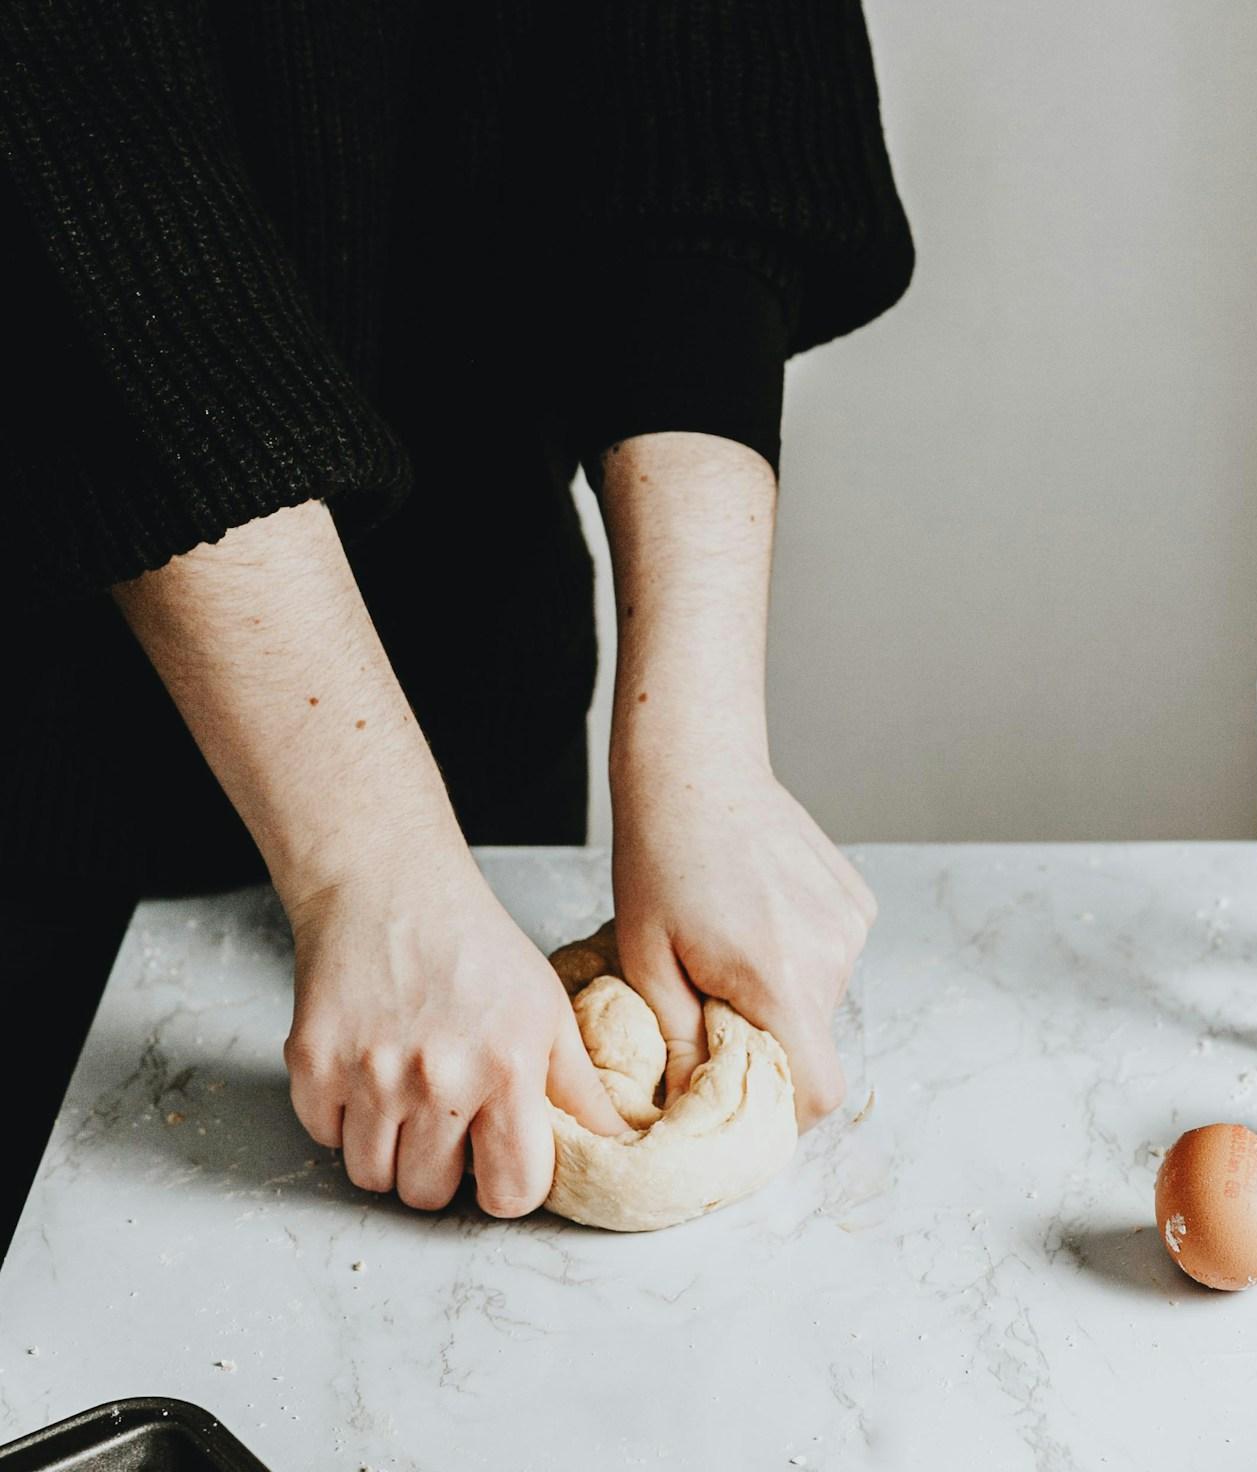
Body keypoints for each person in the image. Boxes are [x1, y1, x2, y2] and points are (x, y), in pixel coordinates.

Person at [0, 2, 914, 1241]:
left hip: (475, 690)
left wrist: (698, 751)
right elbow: (63, 126)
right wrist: (361, 851)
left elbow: (704, 66)